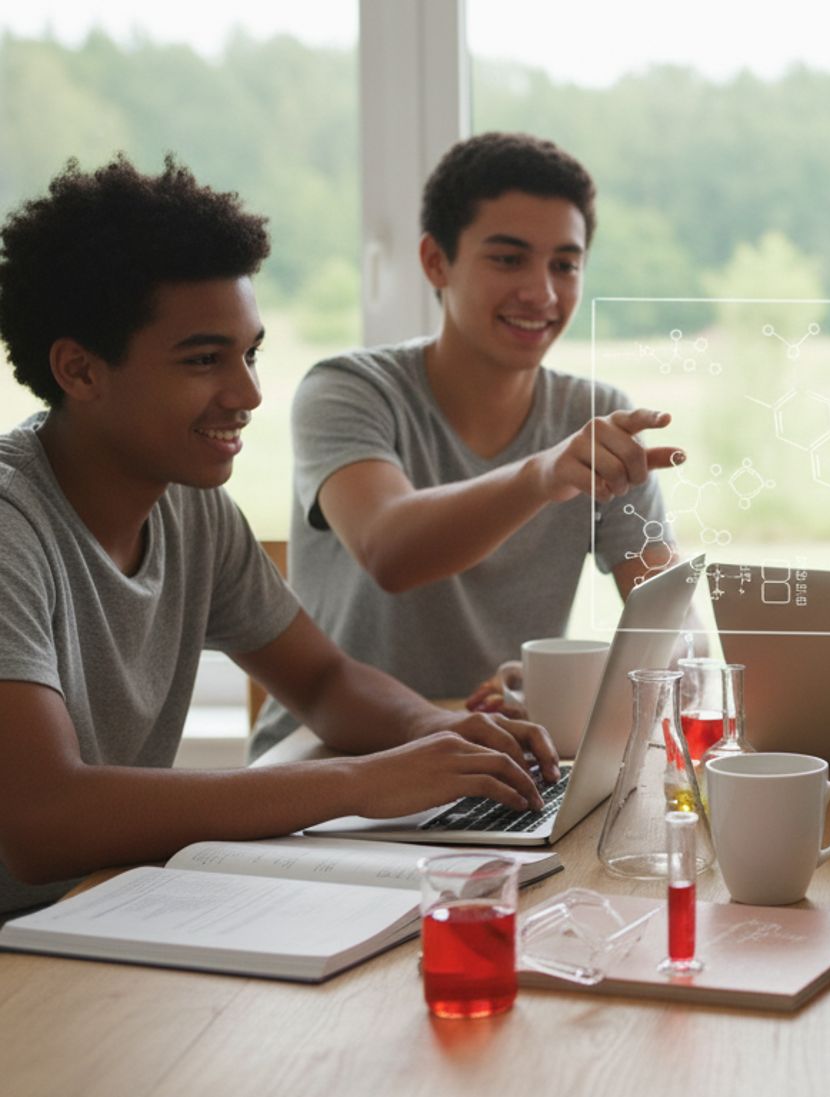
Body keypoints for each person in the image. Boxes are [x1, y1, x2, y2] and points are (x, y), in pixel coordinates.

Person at [0, 156, 559, 919]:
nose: (250, 393)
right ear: (80, 369)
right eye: (204, 359)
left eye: (250, 352)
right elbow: (41, 822)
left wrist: (441, 733)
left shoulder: (188, 506)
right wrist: (362, 784)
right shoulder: (11, 522)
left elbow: (323, 681)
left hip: (101, 910)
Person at [251, 132, 677, 759]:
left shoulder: (592, 415)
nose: (542, 292)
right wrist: (542, 475)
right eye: (509, 260)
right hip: (331, 758)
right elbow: (389, 550)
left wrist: (566, 687)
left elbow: (668, 620)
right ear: (435, 262)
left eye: (565, 264)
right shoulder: (346, 391)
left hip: (500, 755)